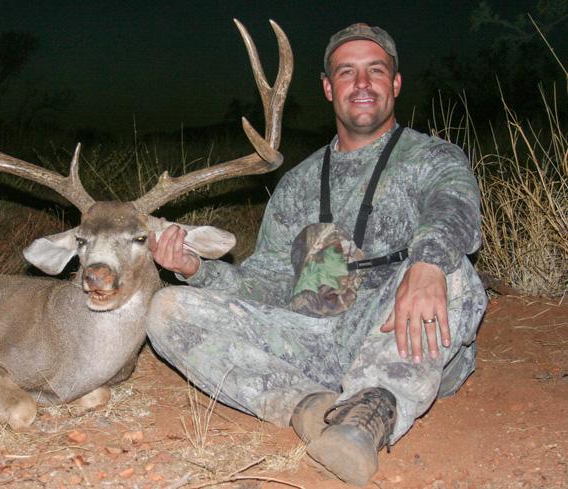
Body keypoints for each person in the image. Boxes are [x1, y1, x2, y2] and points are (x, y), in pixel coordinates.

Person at [146, 23, 487, 486]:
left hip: (399, 337)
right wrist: (196, 270)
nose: (362, 83)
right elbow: (267, 281)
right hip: (317, 341)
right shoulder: (297, 184)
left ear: (395, 83)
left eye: (375, 71)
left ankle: (371, 412)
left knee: (451, 268)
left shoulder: (432, 156)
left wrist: (427, 262)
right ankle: (309, 407)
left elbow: (455, 205)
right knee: (167, 309)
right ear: (329, 88)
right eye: (347, 72)